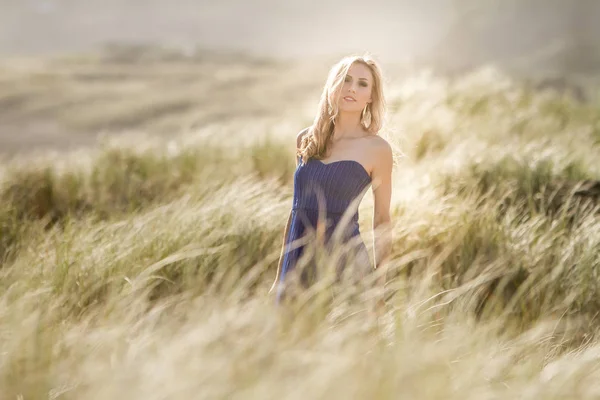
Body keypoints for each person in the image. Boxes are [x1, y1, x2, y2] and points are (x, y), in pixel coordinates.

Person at [269, 54, 394, 308]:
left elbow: (382, 221)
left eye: (362, 84)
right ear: (333, 85)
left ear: (371, 96)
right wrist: (279, 276)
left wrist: (379, 285)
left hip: (347, 265)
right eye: (346, 80)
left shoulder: (377, 149)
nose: (351, 88)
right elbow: (296, 211)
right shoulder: (306, 139)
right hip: (299, 261)